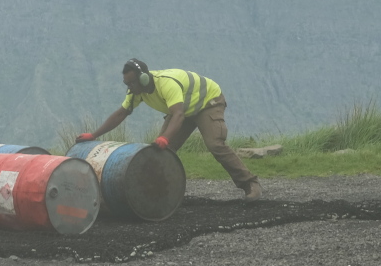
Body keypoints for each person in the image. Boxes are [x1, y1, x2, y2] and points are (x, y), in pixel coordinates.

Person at [77, 58, 262, 199]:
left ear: (143, 79)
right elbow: (121, 113)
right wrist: (93, 135)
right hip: (182, 109)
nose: (130, 88)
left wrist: (165, 138)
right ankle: (161, 194)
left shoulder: (166, 84)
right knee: (162, 152)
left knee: (215, 144)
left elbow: (178, 115)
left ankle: (250, 184)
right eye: (127, 84)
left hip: (207, 102)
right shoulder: (135, 92)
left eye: (132, 83)